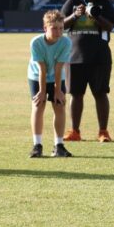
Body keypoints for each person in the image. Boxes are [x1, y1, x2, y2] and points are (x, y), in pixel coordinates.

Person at [61, 0, 114, 142]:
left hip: (100, 57)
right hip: (74, 56)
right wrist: (75, 15)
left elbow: (110, 27)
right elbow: (60, 25)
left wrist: (96, 16)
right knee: (76, 94)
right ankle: (74, 131)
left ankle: (103, 131)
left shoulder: (105, 3)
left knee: (100, 93)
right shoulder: (73, 2)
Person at [28, 10, 72, 159]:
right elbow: (42, 69)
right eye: (54, 28)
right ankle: (37, 145)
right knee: (38, 106)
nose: (59, 32)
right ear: (45, 28)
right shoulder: (36, 42)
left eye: (61, 28)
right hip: (36, 76)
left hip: (57, 76)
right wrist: (42, 91)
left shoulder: (66, 42)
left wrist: (58, 90)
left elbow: (59, 68)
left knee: (59, 106)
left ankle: (59, 146)